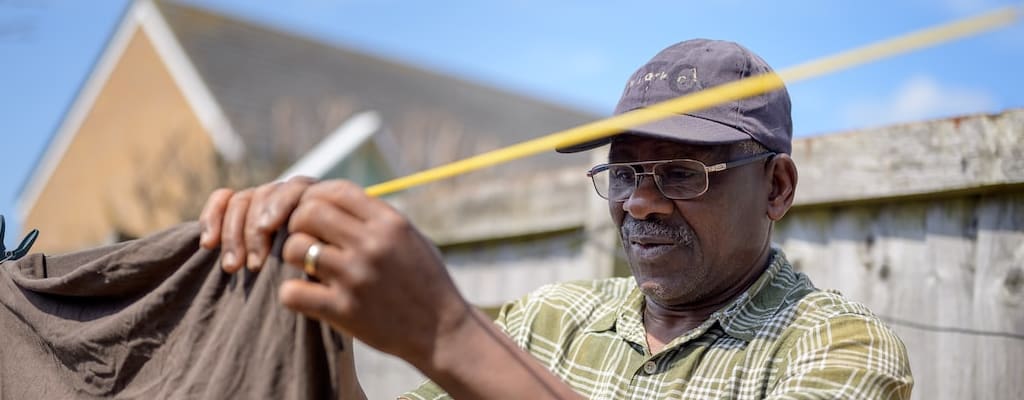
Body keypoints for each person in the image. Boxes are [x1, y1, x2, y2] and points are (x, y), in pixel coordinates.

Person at [198, 39, 913, 399]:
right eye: (625, 172)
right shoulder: (549, 320)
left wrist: (450, 335)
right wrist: (312, 321)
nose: (639, 202)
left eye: (682, 174)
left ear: (777, 187)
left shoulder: (839, 351)